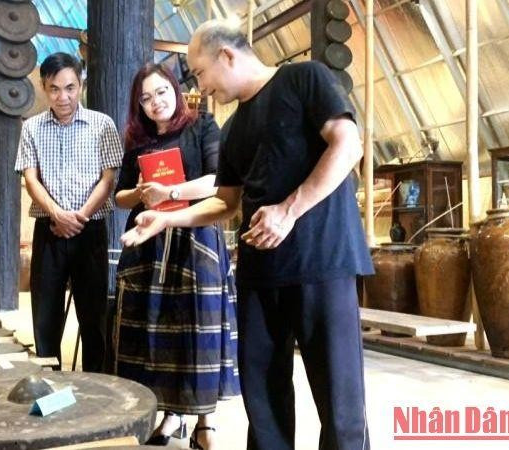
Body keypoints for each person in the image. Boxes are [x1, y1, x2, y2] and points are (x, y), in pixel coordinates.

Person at [121, 21, 373, 450]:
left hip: (323, 262)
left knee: (339, 399)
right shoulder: (235, 127)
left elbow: (349, 144)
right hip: (260, 273)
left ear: (227, 55)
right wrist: (167, 220)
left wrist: (289, 211)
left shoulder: (304, 79)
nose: (200, 85)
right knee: (263, 396)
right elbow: (225, 202)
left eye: (200, 72)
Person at [113, 63, 239, 450]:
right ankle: (169, 414)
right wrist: (141, 192)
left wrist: (169, 192)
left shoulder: (202, 126)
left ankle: (205, 422)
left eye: (162, 92)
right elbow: (120, 197)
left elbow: (218, 182)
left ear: (176, 90)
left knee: (197, 328)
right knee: (153, 331)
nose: (155, 102)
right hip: (147, 242)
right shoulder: (138, 140)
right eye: (146, 98)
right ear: (138, 105)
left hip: (195, 237)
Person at [14, 52, 124, 372]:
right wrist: (57, 214)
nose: (63, 97)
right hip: (49, 231)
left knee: (93, 316)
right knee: (45, 316)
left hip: (90, 230)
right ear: (43, 87)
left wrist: (79, 217)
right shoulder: (32, 127)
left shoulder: (102, 125)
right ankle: (50, 383)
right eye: (54, 89)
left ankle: (95, 384)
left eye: (70, 88)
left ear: (81, 85)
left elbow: (108, 179)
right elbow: (30, 178)